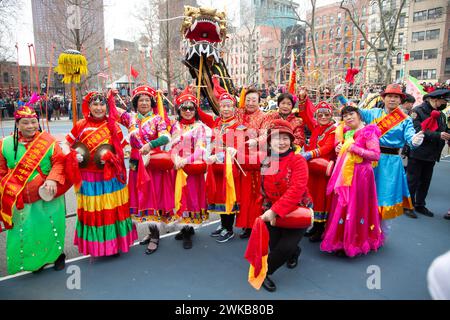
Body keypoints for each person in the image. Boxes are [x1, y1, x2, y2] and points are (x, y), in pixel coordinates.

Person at [65, 91, 137, 257]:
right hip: (89, 178)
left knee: (110, 211)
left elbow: (124, 149)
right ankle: (96, 247)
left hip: (110, 178)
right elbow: (65, 145)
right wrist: (73, 155)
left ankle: (113, 246)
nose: (98, 108)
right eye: (95, 104)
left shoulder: (114, 126)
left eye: (102, 104)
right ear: (89, 107)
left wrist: (113, 158)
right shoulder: (80, 126)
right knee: (94, 211)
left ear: (107, 106)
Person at [0, 105, 69, 274]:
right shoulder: (5, 144)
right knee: (27, 230)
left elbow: (59, 162)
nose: (30, 126)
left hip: (47, 194)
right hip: (20, 196)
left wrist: (52, 179)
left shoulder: (48, 141)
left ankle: (57, 256)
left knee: (53, 227)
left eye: (33, 122)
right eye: (25, 123)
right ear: (17, 124)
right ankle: (35, 261)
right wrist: (7, 186)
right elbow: (2, 171)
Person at [116, 85, 173, 255]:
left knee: (152, 198)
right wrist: (111, 96)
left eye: (147, 100)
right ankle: (150, 231)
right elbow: (113, 112)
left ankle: (155, 236)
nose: (144, 103)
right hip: (135, 164)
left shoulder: (157, 119)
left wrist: (151, 144)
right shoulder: (131, 119)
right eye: (141, 100)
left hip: (152, 164)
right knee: (141, 197)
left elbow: (165, 137)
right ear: (135, 102)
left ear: (152, 102)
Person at [321, 106, 383, 257]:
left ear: (359, 115)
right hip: (347, 174)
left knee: (357, 205)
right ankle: (341, 239)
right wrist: (340, 149)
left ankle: (356, 240)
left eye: (351, 114)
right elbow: (346, 152)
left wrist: (354, 149)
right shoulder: (348, 132)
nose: (348, 118)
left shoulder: (369, 131)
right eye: (345, 116)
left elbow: (375, 155)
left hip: (361, 175)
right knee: (344, 204)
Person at [259, 119, 312, 292]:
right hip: (272, 209)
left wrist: (274, 211)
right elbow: (263, 187)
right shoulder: (267, 161)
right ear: (269, 141)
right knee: (275, 246)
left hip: (297, 209)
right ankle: (295, 253)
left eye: (285, 138)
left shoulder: (298, 160)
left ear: (291, 141)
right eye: (276, 138)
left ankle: (263, 272)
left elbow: (296, 189)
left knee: (283, 249)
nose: (281, 142)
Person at [358, 84, 423, 221]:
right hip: (371, 159)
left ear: (400, 100)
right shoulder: (374, 113)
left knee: (385, 196)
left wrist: (414, 140)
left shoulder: (406, 120)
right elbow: (355, 112)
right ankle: (366, 228)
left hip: (391, 163)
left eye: (396, 97)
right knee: (367, 193)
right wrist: (341, 98)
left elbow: (410, 137)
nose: (392, 99)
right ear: (384, 98)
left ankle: (380, 231)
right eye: (389, 96)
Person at [170, 85, 210, 249]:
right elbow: (171, 146)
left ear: (195, 110)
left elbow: (201, 149)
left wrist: (185, 161)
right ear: (179, 110)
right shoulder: (175, 126)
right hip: (177, 167)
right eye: (184, 108)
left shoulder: (199, 127)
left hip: (192, 169)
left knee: (191, 198)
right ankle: (184, 227)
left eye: (191, 108)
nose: (187, 111)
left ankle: (188, 231)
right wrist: (175, 158)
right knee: (180, 196)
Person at [204, 78, 242, 243]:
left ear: (233, 108)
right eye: (223, 106)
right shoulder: (217, 123)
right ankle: (222, 224)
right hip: (216, 167)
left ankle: (229, 228)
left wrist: (217, 156)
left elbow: (235, 149)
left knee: (228, 196)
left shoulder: (238, 126)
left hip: (229, 168)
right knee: (218, 195)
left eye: (229, 106)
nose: (226, 109)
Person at [405, 89, 450, 218]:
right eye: (443, 101)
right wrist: (438, 135)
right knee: (412, 180)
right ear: (435, 99)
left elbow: (444, 129)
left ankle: (420, 204)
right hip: (418, 152)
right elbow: (417, 130)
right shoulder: (417, 111)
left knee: (425, 181)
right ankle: (408, 205)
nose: (444, 103)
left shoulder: (441, 115)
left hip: (432, 154)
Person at [298, 98, 337, 242]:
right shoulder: (315, 126)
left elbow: (327, 147)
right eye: (320, 114)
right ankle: (314, 225)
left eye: (326, 114)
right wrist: (302, 99)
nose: (323, 117)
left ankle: (320, 229)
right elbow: (304, 114)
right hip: (312, 168)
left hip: (323, 169)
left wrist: (310, 154)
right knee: (312, 195)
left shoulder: (333, 130)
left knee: (321, 197)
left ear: (331, 115)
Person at [234, 88, 266, 239]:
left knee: (255, 194)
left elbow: (267, 134)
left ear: (259, 102)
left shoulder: (264, 117)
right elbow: (220, 98)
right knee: (242, 194)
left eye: (254, 100)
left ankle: (256, 224)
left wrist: (256, 140)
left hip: (255, 160)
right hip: (238, 159)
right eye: (248, 100)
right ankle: (246, 224)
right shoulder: (239, 113)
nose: (251, 103)